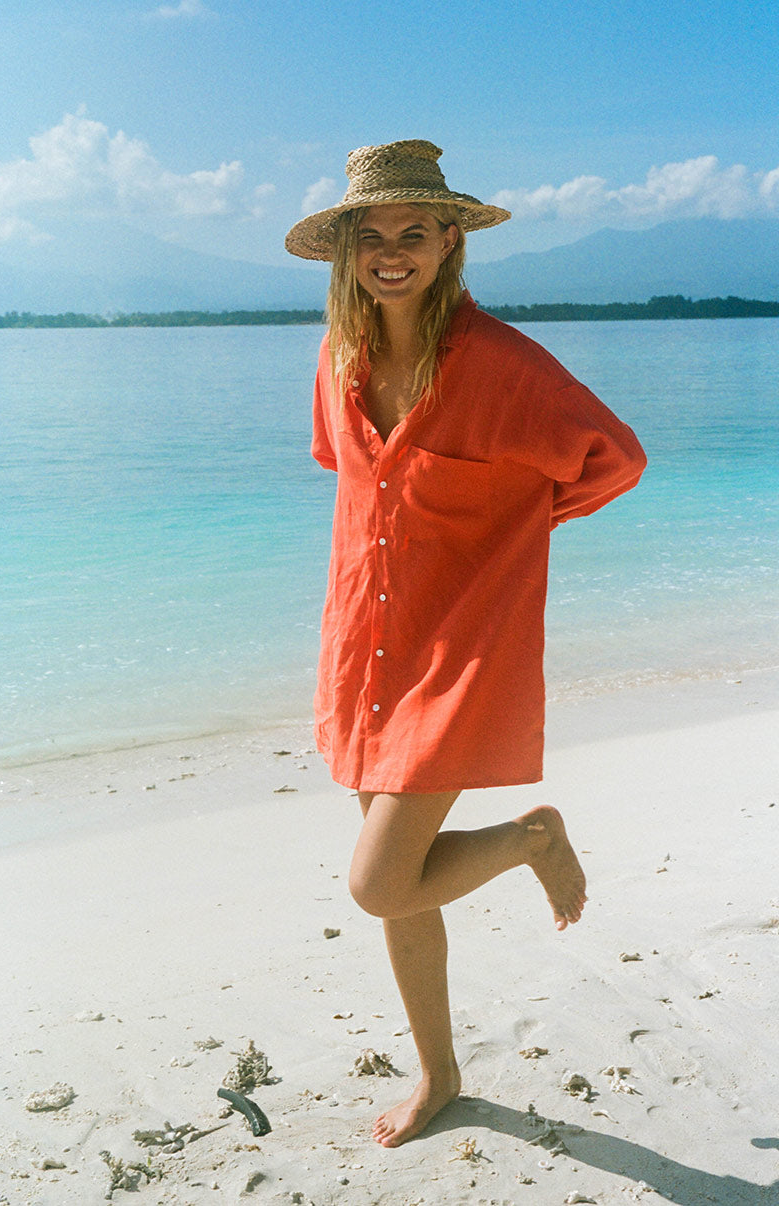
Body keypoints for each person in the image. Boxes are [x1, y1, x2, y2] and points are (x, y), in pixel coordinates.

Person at [285, 140, 647, 1148]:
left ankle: (532, 838)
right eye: (370, 235)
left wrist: (508, 526)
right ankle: (438, 1073)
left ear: (450, 241)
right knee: (399, 884)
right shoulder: (340, 359)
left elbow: (615, 459)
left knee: (376, 882)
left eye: (413, 231)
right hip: (365, 644)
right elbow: (349, 473)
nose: (390, 252)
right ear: (347, 252)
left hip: (456, 652)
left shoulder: (500, 364)